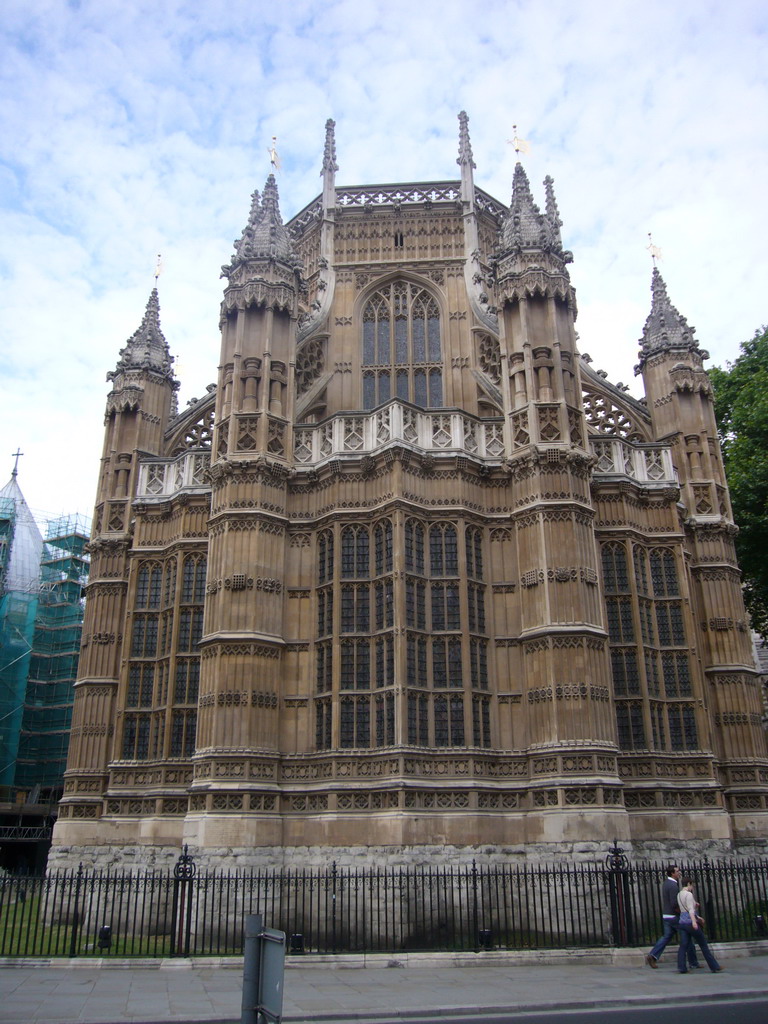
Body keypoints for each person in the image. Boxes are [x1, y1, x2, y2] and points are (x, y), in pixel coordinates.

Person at [645, 865, 700, 969]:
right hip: (674, 916)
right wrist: (684, 912)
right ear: (672, 873)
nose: (679, 873)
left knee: (666, 937)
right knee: (688, 936)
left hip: (666, 915)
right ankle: (693, 962)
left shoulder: (666, 884)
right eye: (677, 871)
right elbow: (675, 903)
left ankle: (653, 955)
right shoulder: (673, 886)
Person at [677, 878, 723, 973]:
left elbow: (684, 908)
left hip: (682, 922)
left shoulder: (679, 894)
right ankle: (714, 966)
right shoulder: (689, 894)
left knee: (683, 946)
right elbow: (690, 910)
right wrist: (694, 921)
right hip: (690, 922)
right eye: (691, 885)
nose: (692, 887)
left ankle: (681, 967)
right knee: (703, 944)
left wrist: (697, 913)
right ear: (688, 884)